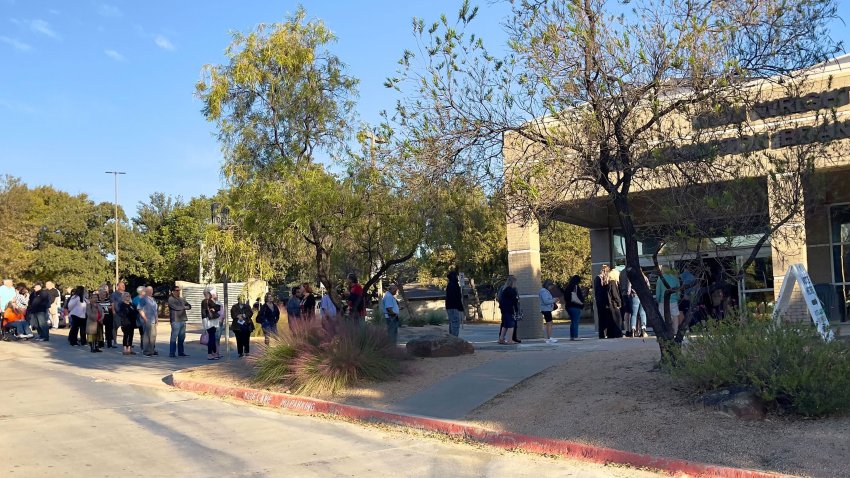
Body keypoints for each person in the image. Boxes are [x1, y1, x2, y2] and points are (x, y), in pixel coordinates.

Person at [593, 265, 622, 339]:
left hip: (605, 301)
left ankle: (606, 333)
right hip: (602, 302)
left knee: (606, 318)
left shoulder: (604, 279)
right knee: (603, 318)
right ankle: (603, 334)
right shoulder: (599, 278)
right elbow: (599, 292)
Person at [655, 266, 682, 335]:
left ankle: (666, 331)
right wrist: (678, 298)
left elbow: (658, 291)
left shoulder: (660, 278)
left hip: (663, 301)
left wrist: (658, 299)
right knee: (675, 316)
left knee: (663, 316)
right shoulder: (675, 278)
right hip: (673, 300)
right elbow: (678, 291)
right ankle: (675, 331)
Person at [167, 285, 192, 358]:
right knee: (174, 337)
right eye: (177, 290)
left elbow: (189, 306)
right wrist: (184, 307)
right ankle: (172, 352)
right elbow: (176, 307)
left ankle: (181, 352)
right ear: (173, 291)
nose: (178, 292)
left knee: (182, 337)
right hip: (175, 320)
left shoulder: (181, 299)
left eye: (179, 290)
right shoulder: (170, 299)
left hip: (183, 319)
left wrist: (185, 307)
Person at [496, 276, 520, 343]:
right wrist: (516, 310)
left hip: (504, 309)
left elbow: (500, 299)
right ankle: (510, 340)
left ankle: (501, 339)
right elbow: (515, 301)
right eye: (515, 282)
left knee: (505, 325)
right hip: (509, 309)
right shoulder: (511, 290)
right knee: (511, 324)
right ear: (512, 282)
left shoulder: (504, 289)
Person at [562, 275, 585, 341]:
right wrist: (581, 303)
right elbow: (578, 297)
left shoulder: (568, 287)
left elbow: (566, 297)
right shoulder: (575, 287)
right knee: (575, 322)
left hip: (569, 307)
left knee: (573, 322)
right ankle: (575, 336)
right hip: (575, 306)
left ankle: (572, 336)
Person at [628, 270, 650, 337]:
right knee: (642, 313)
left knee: (634, 314)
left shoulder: (632, 278)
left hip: (635, 296)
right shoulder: (644, 277)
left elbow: (629, 288)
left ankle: (633, 330)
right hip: (643, 296)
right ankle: (643, 330)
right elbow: (648, 287)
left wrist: (629, 294)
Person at [201, 290, 221, 360]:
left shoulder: (207, 301)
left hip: (210, 320)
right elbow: (217, 307)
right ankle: (210, 353)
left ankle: (214, 353)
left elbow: (217, 307)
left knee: (212, 337)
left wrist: (214, 308)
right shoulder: (207, 301)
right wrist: (214, 307)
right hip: (210, 321)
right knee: (212, 337)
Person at [445, 269, 464, 337]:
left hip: (449, 306)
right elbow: (457, 297)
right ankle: (454, 338)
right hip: (454, 307)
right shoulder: (455, 285)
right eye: (456, 276)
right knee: (455, 322)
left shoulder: (449, 284)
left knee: (452, 322)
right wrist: (460, 307)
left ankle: (451, 337)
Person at [139, 286, 158, 356]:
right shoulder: (143, 299)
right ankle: (146, 351)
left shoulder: (153, 299)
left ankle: (152, 350)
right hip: (147, 320)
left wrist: (157, 318)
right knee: (147, 336)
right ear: (146, 291)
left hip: (153, 320)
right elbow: (140, 309)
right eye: (149, 290)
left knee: (153, 336)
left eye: (151, 290)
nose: (150, 291)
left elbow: (155, 310)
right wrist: (145, 318)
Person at [539, 279, 557, 343]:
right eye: (551, 286)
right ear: (548, 285)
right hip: (546, 309)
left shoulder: (544, 291)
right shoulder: (543, 291)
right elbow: (546, 301)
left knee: (549, 323)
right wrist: (553, 300)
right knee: (549, 323)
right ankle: (549, 338)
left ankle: (549, 337)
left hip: (547, 309)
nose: (551, 287)